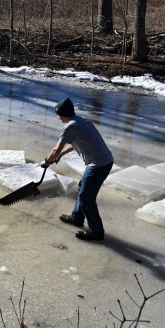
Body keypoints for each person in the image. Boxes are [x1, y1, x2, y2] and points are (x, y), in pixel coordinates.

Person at [42, 98, 114, 241]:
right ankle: (77, 217)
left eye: (59, 114)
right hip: (105, 161)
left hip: (97, 165)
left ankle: (96, 232)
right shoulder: (82, 121)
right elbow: (74, 142)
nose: (58, 117)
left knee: (87, 198)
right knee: (83, 188)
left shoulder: (70, 126)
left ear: (63, 114)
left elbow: (55, 149)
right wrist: (61, 154)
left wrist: (47, 161)